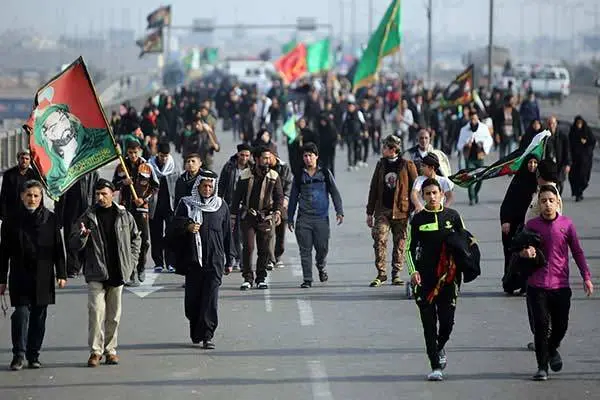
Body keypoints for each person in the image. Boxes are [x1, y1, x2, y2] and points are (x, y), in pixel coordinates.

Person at [521, 184, 593, 381]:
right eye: (543, 201)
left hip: (561, 286)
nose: (547, 204)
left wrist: (586, 277)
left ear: (557, 203)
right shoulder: (532, 226)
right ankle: (542, 367)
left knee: (561, 326)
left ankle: (552, 349)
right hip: (537, 285)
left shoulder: (566, 225)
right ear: (539, 204)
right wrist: (525, 252)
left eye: (551, 200)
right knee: (541, 326)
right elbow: (518, 248)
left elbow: (577, 252)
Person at [70, 179, 140, 367]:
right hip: (96, 272)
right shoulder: (88, 216)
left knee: (114, 316)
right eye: (97, 194)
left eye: (104, 194)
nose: (100, 198)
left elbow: (136, 238)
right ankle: (95, 351)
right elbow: (73, 244)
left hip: (118, 272)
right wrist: (83, 236)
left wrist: (131, 262)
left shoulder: (124, 215)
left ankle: (110, 350)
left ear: (113, 194)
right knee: (96, 313)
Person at [0, 180, 67, 370]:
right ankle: (18, 355)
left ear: (41, 197)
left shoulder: (50, 219)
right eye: (29, 195)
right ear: (22, 196)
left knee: (39, 317)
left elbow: (58, 248)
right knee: (20, 314)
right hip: (20, 274)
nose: (32, 199)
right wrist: (1, 279)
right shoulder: (11, 220)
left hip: (43, 275)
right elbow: (3, 252)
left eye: (36, 195)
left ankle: (33, 354)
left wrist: (61, 273)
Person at [406, 178, 466, 381]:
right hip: (425, 280)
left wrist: (466, 267)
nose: (432, 197)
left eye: (435, 193)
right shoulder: (417, 219)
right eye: (427, 194)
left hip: (449, 280)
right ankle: (435, 365)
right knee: (429, 324)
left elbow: (465, 244)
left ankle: (439, 347)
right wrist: (413, 271)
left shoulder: (453, 216)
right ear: (422, 196)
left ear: (442, 194)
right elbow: (408, 249)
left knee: (447, 322)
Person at [170, 171, 232, 349]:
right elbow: (174, 227)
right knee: (193, 301)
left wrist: (230, 259)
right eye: (204, 186)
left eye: (210, 186)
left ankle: (207, 335)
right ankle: (197, 331)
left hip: (215, 260)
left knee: (210, 299)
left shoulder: (221, 206)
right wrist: (187, 226)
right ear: (198, 187)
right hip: (194, 261)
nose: (207, 189)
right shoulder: (187, 204)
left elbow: (227, 234)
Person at [288, 143, 344, 288]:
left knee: (322, 248)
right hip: (304, 219)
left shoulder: (324, 173)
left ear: (316, 157)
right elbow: (293, 197)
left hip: (321, 218)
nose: (308, 158)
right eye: (305, 156)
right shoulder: (299, 175)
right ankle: (307, 279)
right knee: (305, 251)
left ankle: (321, 266)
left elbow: (334, 192)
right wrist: (290, 218)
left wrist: (339, 211)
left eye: (310, 155)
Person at [366, 135, 418, 287]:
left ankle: (396, 274)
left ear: (393, 149)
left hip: (401, 211)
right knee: (379, 239)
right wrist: (369, 212)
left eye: (385, 147)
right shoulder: (380, 165)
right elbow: (373, 188)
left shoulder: (407, 165)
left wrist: (414, 208)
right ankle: (381, 274)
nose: (382, 149)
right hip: (382, 210)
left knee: (400, 243)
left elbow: (416, 188)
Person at [230, 147, 284, 290]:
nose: (268, 161)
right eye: (265, 158)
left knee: (264, 249)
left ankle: (261, 278)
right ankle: (247, 278)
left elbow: (279, 197)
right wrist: (233, 216)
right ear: (257, 159)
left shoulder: (274, 175)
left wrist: (277, 212)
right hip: (248, 216)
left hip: (266, 217)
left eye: (269, 158)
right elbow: (237, 197)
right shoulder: (245, 174)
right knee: (248, 247)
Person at [112, 140, 159, 286]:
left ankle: (141, 267)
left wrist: (144, 199)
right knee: (127, 241)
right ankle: (130, 272)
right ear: (127, 152)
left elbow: (155, 187)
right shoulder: (121, 166)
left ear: (140, 151)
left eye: (135, 152)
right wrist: (123, 183)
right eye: (130, 152)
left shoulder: (147, 166)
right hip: (125, 209)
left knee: (144, 241)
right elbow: (112, 186)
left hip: (141, 209)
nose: (133, 155)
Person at [499, 155, 539, 293]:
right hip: (514, 225)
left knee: (529, 255)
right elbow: (507, 203)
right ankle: (510, 283)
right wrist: (506, 221)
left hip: (530, 226)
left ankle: (525, 284)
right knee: (512, 254)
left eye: (535, 162)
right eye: (530, 162)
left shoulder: (539, 184)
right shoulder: (518, 181)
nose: (532, 165)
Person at [55, 171, 100, 278]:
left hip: (88, 209)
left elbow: (96, 191)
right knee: (71, 238)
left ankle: (86, 265)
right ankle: (72, 267)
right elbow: (60, 193)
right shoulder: (67, 172)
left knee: (87, 237)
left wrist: (96, 210)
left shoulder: (93, 172)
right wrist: (59, 215)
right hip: (71, 210)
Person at [218, 144, 253, 271]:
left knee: (245, 235)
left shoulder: (252, 168)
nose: (244, 158)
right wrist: (219, 201)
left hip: (247, 206)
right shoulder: (229, 167)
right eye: (242, 155)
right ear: (238, 154)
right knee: (234, 233)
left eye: (247, 155)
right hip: (231, 205)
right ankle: (236, 258)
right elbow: (221, 185)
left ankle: (243, 260)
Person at [148, 142, 180, 273]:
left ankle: (171, 262)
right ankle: (158, 262)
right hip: (154, 206)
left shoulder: (175, 166)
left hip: (170, 206)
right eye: (162, 156)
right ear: (157, 154)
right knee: (156, 235)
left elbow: (179, 185)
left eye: (166, 156)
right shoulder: (149, 166)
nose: (164, 159)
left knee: (171, 234)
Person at [456, 110, 494, 205]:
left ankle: (475, 193)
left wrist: (483, 145)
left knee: (480, 178)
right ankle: (471, 198)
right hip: (469, 157)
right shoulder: (464, 130)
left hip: (479, 156)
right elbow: (459, 144)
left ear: (478, 119)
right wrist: (466, 144)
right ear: (469, 119)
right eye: (472, 119)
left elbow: (489, 140)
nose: (474, 121)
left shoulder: (483, 128)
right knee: (470, 178)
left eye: (475, 119)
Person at [0, 150, 40, 221]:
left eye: (27, 159)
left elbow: (38, 195)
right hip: (11, 213)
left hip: (29, 212)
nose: (24, 161)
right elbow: (3, 195)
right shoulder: (9, 174)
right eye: (22, 158)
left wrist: (39, 212)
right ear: (18, 159)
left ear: (30, 160)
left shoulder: (34, 175)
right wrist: (3, 213)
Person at [568, 116, 596, 202]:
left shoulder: (587, 131)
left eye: (580, 123)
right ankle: (578, 193)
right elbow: (569, 144)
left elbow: (593, 141)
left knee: (584, 176)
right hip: (575, 159)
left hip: (585, 159)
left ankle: (580, 190)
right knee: (574, 176)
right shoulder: (573, 131)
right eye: (577, 123)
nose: (579, 125)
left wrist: (586, 142)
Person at [543, 116, 571, 195]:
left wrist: (568, 164)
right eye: (549, 123)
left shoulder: (563, 136)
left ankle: (558, 196)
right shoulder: (545, 136)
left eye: (553, 123)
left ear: (556, 124)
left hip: (560, 162)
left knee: (560, 183)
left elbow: (567, 150)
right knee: (551, 183)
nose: (551, 125)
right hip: (549, 163)